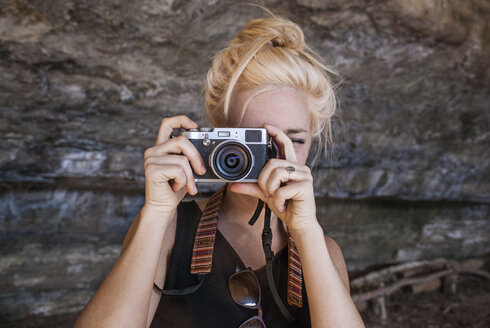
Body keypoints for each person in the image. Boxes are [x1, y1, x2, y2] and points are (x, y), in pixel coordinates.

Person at [75, 10, 365, 328]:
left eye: (293, 139)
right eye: (255, 140)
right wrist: (157, 212)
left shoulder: (323, 251)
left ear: (312, 139)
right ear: (219, 138)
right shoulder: (169, 233)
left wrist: (306, 232)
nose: (276, 158)